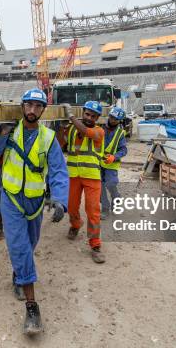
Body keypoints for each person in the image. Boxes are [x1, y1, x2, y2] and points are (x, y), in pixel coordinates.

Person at [0, 88, 69, 335]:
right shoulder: (10, 130)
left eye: (38, 106)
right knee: (20, 246)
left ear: (43, 110)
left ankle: (19, 274)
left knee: (31, 243)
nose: (32, 110)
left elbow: (58, 170)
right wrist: (0, 133)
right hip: (11, 199)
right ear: (22, 107)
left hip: (35, 204)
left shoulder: (48, 137)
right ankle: (32, 307)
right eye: (29, 105)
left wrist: (59, 199)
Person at [58, 101, 106, 264]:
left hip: (92, 177)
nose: (89, 118)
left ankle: (95, 245)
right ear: (83, 113)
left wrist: (71, 116)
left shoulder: (99, 131)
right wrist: (62, 127)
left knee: (93, 211)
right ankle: (75, 224)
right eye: (87, 114)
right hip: (74, 175)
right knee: (71, 206)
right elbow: (60, 143)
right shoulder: (72, 129)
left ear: (97, 118)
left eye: (93, 116)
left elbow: (85, 131)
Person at [100, 107, 128, 220]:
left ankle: (116, 198)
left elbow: (124, 150)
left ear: (119, 121)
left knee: (110, 184)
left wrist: (114, 157)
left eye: (115, 119)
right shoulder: (100, 127)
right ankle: (105, 209)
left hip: (112, 164)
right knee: (100, 187)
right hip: (98, 162)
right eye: (111, 117)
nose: (112, 120)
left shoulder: (120, 133)